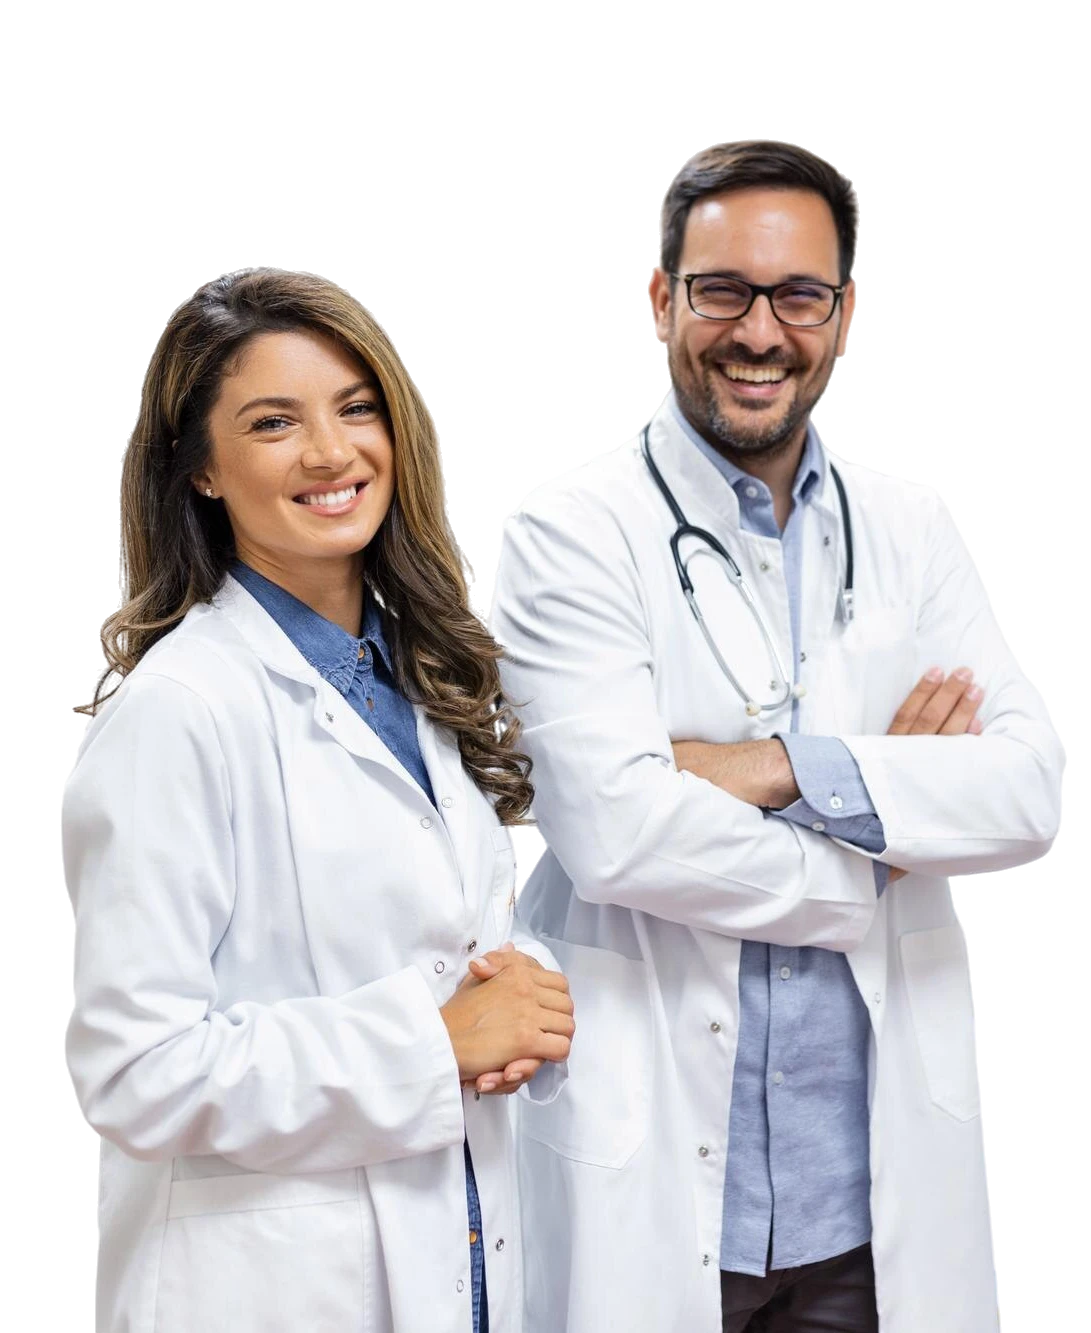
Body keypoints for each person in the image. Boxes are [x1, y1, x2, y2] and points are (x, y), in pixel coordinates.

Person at [491, 141, 1062, 1332]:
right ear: (660, 299)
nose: (759, 333)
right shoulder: (566, 528)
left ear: (843, 314)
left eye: (798, 296)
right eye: (721, 292)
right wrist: (884, 834)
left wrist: (773, 767)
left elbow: (1025, 792)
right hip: (656, 1191)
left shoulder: (914, 523)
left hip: (864, 1196)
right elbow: (615, 836)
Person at [63, 269, 575, 1333]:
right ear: (200, 469)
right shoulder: (180, 710)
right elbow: (136, 1072)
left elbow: (430, 942)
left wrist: (522, 991)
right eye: (271, 422)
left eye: (353, 408)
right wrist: (436, 1041)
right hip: (266, 1290)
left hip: (460, 1258)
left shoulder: (423, 677)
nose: (331, 453)